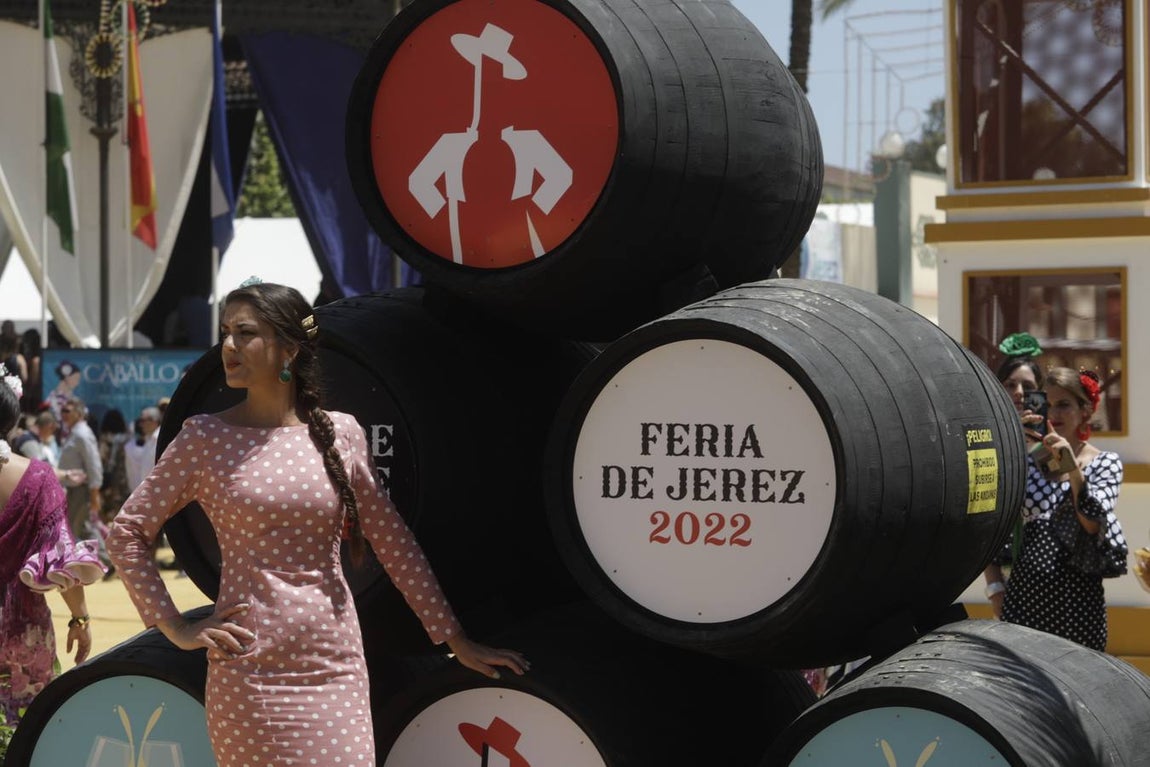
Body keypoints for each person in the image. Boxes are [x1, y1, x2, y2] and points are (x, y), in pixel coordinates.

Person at [106, 281, 528, 766]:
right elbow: (127, 532)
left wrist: (455, 640)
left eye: (246, 333)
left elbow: (394, 544)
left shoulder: (341, 433)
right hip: (249, 674)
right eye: (225, 332)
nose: (228, 346)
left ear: (289, 347)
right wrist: (176, 627)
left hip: (334, 667)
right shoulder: (204, 438)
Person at [986, 363, 1126, 651]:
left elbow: (1091, 522)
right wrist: (996, 589)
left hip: (1078, 611)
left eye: (1064, 404)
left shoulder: (1106, 462)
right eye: (1047, 404)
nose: (1055, 413)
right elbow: (993, 519)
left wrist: (1072, 468)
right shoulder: (1028, 459)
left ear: (1085, 410)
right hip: (1022, 606)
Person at [0, 364, 103, 724]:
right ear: (13, 420)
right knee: (24, 731)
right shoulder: (39, 479)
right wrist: (80, 618)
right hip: (23, 631)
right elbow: (62, 559)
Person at [57, 397, 104, 542]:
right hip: (73, 489)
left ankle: (107, 560)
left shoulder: (82, 433)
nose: (63, 414)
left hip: (80, 490)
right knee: (82, 528)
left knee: (80, 528)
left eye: (67, 411)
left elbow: (93, 463)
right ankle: (107, 561)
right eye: (62, 410)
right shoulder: (73, 433)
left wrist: (94, 492)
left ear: (78, 413)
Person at [123, 406, 161, 492]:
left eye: (143, 420)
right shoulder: (149, 439)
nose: (141, 424)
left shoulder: (160, 439)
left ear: (153, 421)